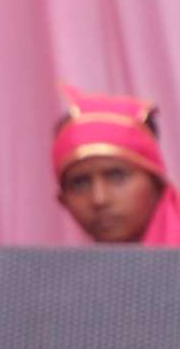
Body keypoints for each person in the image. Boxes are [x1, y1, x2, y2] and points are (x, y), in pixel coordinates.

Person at [53, 86, 180, 247]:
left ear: (157, 182)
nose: (99, 199)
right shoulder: (54, 263)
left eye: (116, 176)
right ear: (63, 200)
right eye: (80, 183)